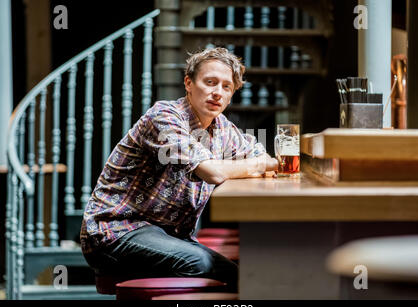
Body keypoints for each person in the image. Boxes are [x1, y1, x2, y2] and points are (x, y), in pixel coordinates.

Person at [80, 47, 279, 291]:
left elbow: (261, 155)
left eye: (226, 87)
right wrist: (257, 165)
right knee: (203, 264)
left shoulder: (222, 129)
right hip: (115, 233)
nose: (217, 92)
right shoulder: (164, 116)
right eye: (210, 82)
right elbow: (212, 172)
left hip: (166, 237)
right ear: (189, 83)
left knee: (234, 274)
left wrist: (259, 162)